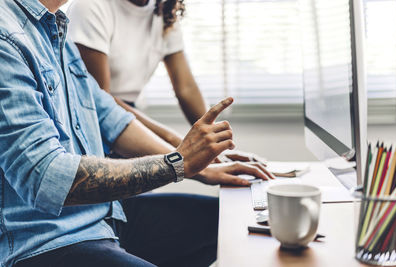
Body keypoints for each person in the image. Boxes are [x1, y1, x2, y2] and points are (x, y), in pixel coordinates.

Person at [0, 0, 270, 266]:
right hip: (44, 242)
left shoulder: (55, 30)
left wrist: (200, 165)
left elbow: (109, 116)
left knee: (230, 223)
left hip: (103, 219)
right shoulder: (7, 37)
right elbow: (45, 176)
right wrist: (178, 163)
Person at [67, 0, 267, 164]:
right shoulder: (91, 6)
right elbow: (101, 100)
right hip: (98, 129)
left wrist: (217, 147)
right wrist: (180, 144)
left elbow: (186, 88)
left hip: (132, 119)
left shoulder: (163, 9)